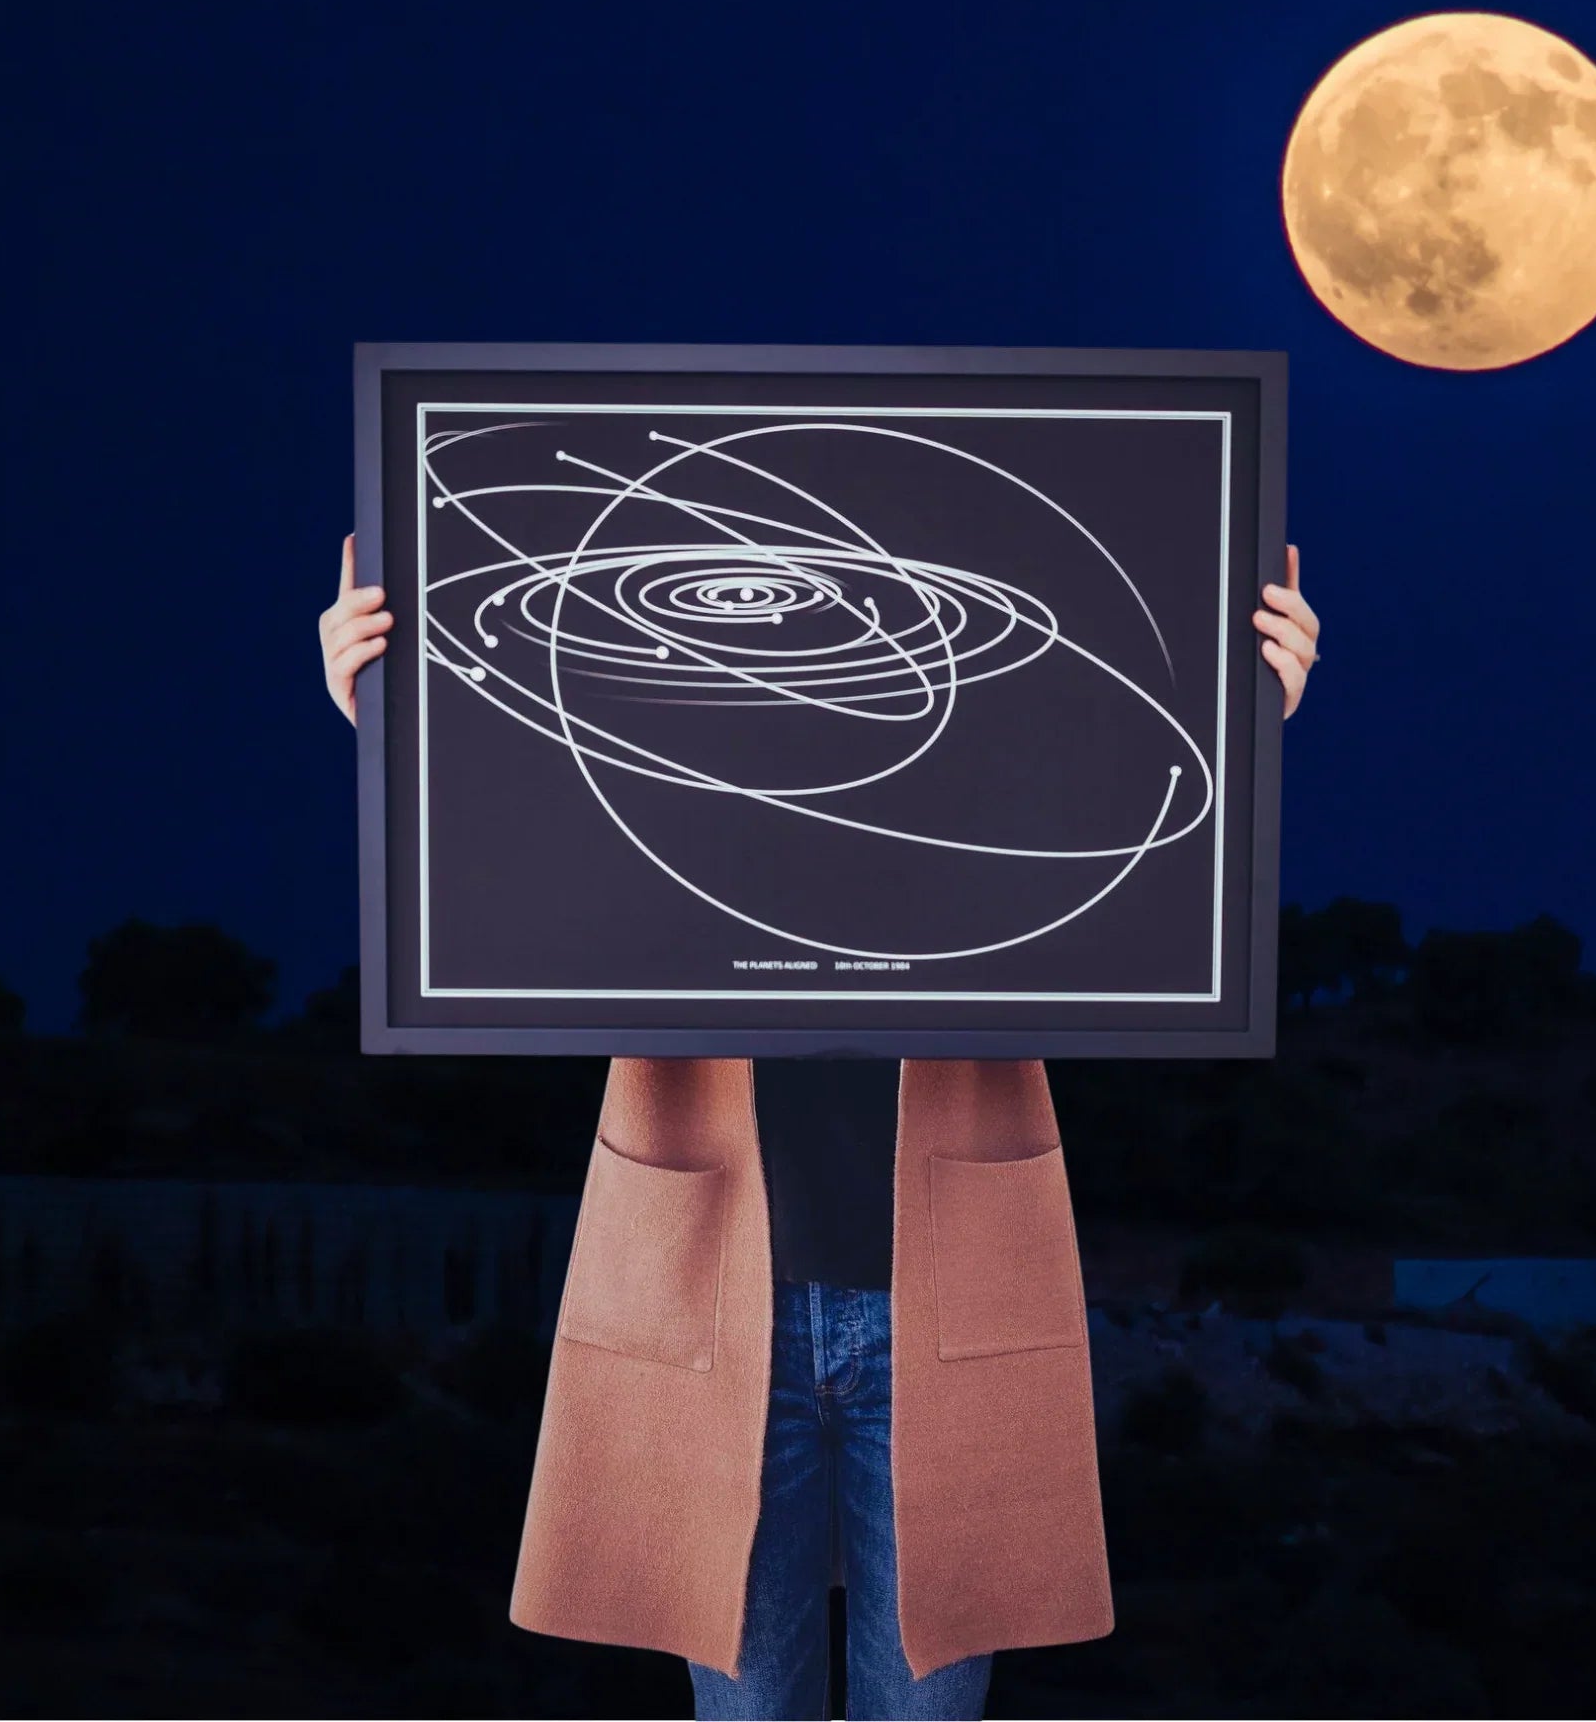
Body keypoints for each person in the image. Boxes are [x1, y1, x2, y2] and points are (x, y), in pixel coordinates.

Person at [320, 529, 1321, 1721]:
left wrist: (1240, 722)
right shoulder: (660, 762)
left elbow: (1137, 839)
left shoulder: (985, 769)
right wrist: (392, 717)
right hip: (720, 1297)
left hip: (943, 1296)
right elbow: (517, 836)